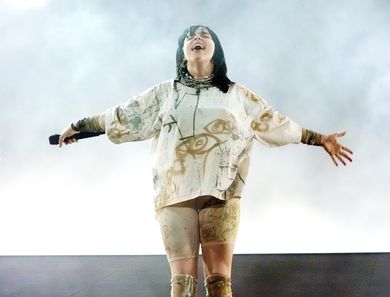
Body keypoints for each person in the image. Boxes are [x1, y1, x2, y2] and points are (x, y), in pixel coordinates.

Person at [58, 25, 353, 297]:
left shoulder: (237, 95)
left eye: (204, 34)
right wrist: (79, 125)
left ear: (216, 48)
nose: (196, 38)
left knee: (219, 279)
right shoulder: (165, 93)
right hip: (175, 195)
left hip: (221, 196)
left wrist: (319, 138)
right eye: (189, 36)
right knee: (182, 282)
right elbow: (123, 116)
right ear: (182, 51)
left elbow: (274, 123)